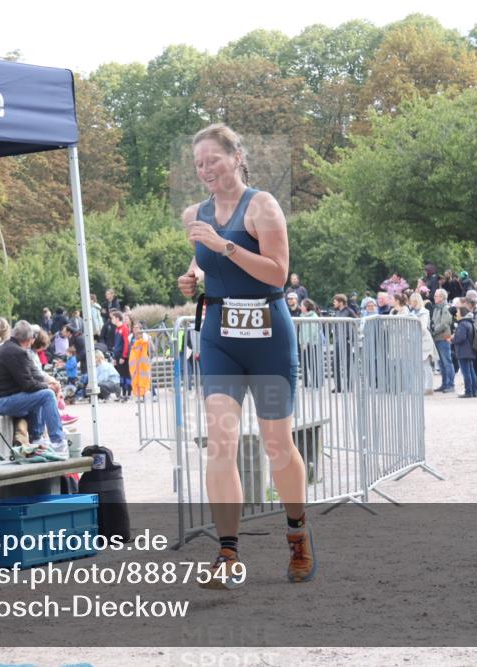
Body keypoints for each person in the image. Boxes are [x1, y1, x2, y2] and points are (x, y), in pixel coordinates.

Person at [176, 123, 313, 589]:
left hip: (269, 335)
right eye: (198, 163)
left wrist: (225, 246)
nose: (205, 169)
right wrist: (192, 273)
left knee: (277, 445)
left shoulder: (264, 205)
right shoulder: (196, 212)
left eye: (213, 159)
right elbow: (203, 258)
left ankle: (297, 535)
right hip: (219, 336)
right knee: (221, 445)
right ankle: (228, 552)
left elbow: (277, 274)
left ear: (236, 157)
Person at [0, 320, 67, 462]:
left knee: (40, 394)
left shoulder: (11, 348)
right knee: (47, 395)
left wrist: (51, 382)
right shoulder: (16, 352)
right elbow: (28, 385)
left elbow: (33, 374)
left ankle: (38, 441)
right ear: (29, 340)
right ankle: (58, 442)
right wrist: (48, 387)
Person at [409, 292, 437, 394]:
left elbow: (423, 327)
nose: (411, 303)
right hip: (416, 340)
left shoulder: (424, 312)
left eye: (412, 301)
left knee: (426, 365)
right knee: (419, 366)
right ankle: (422, 387)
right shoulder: (412, 312)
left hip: (424, 340)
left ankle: (428, 387)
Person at [452, 301, 477, 398]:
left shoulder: (462, 323)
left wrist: (453, 339)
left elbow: (461, 338)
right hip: (469, 350)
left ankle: (468, 391)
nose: (456, 314)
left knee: (466, 372)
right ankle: (473, 391)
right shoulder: (469, 322)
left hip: (463, 351)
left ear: (462, 313)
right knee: (471, 371)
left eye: (458, 312)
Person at [430, 289, 455, 393]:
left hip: (444, 337)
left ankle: (450, 384)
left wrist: (434, 331)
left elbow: (445, 323)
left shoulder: (446, 308)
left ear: (442, 297)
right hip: (437, 338)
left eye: (436, 296)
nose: (434, 297)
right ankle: (444, 384)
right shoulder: (436, 308)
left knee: (447, 362)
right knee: (441, 363)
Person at [298, 299, 323, 388]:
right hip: (304, 344)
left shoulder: (314, 316)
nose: (300, 307)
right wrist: (301, 342)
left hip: (312, 344)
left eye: (302, 305)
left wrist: (306, 343)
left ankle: (316, 383)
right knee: (305, 364)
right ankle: (307, 382)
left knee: (313, 364)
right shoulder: (301, 316)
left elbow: (312, 331)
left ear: (306, 307)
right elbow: (301, 331)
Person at [111, 310, 132, 401]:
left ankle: (128, 393)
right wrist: (115, 357)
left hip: (122, 356)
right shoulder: (117, 329)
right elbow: (116, 344)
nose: (112, 320)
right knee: (121, 375)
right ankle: (123, 393)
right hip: (117, 355)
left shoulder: (124, 328)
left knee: (125, 375)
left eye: (113, 318)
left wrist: (124, 356)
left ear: (117, 318)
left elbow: (126, 343)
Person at [128, 321, 152, 401]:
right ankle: (139, 395)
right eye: (134, 328)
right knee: (136, 380)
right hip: (135, 364)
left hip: (143, 363)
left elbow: (151, 348)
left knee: (145, 378)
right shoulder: (131, 337)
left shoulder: (145, 337)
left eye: (137, 328)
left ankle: (151, 394)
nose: (135, 329)